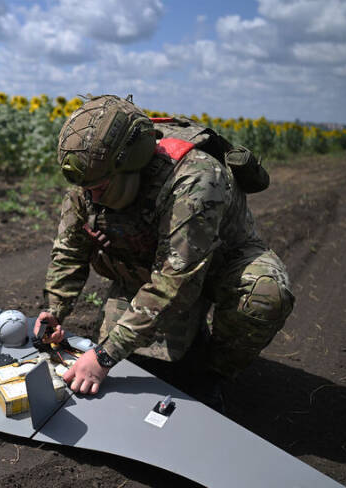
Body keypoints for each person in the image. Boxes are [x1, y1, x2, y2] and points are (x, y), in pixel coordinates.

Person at [34, 95, 294, 408]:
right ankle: (182, 337)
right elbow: (70, 248)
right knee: (147, 362)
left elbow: (177, 280)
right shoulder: (94, 174)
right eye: (85, 188)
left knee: (265, 293)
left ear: (130, 164)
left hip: (216, 265)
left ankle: (213, 374)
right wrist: (55, 308)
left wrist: (104, 356)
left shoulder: (195, 179)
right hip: (150, 264)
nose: (90, 196)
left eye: (99, 189)